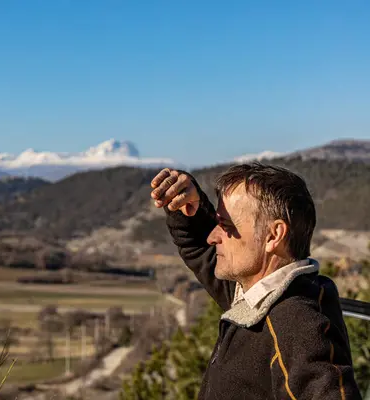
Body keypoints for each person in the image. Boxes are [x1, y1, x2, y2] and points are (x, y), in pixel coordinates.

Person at [150, 162, 362, 399]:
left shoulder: (298, 324)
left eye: (226, 226)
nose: (213, 236)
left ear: (273, 235)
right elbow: (202, 249)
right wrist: (189, 206)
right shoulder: (260, 295)